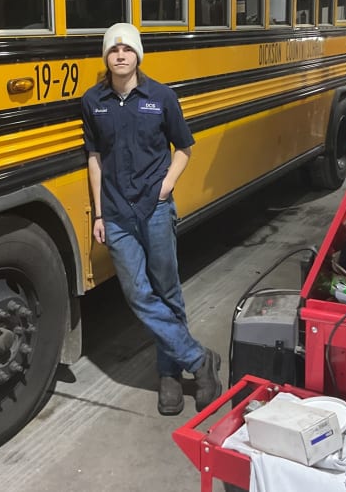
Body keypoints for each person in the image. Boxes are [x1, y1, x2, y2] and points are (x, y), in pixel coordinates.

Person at [80, 22, 222, 416]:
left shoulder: (160, 97)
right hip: (118, 213)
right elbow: (94, 158)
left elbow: (185, 148)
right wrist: (99, 212)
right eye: (113, 50)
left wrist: (165, 187)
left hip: (156, 208)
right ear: (106, 57)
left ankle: (169, 375)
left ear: (138, 55)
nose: (120, 55)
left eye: (127, 49)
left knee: (167, 290)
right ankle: (198, 360)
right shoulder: (94, 101)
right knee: (139, 295)